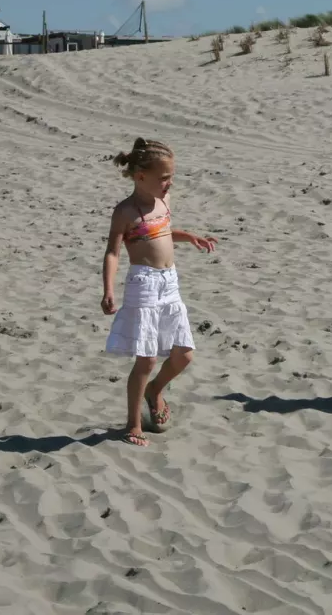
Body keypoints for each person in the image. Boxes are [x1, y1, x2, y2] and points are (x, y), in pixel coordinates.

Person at [101, 138, 217, 446]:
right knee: (146, 360)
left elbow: (162, 233)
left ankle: (155, 391)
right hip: (144, 284)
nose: (169, 183)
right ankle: (133, 423)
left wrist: (189, 236)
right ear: (141, 177)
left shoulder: (164, 202)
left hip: (170, 282)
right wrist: (108, 289)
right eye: (163, 177)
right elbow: (113, 252)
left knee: (184, 355)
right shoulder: (125, 211)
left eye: (171, 176)